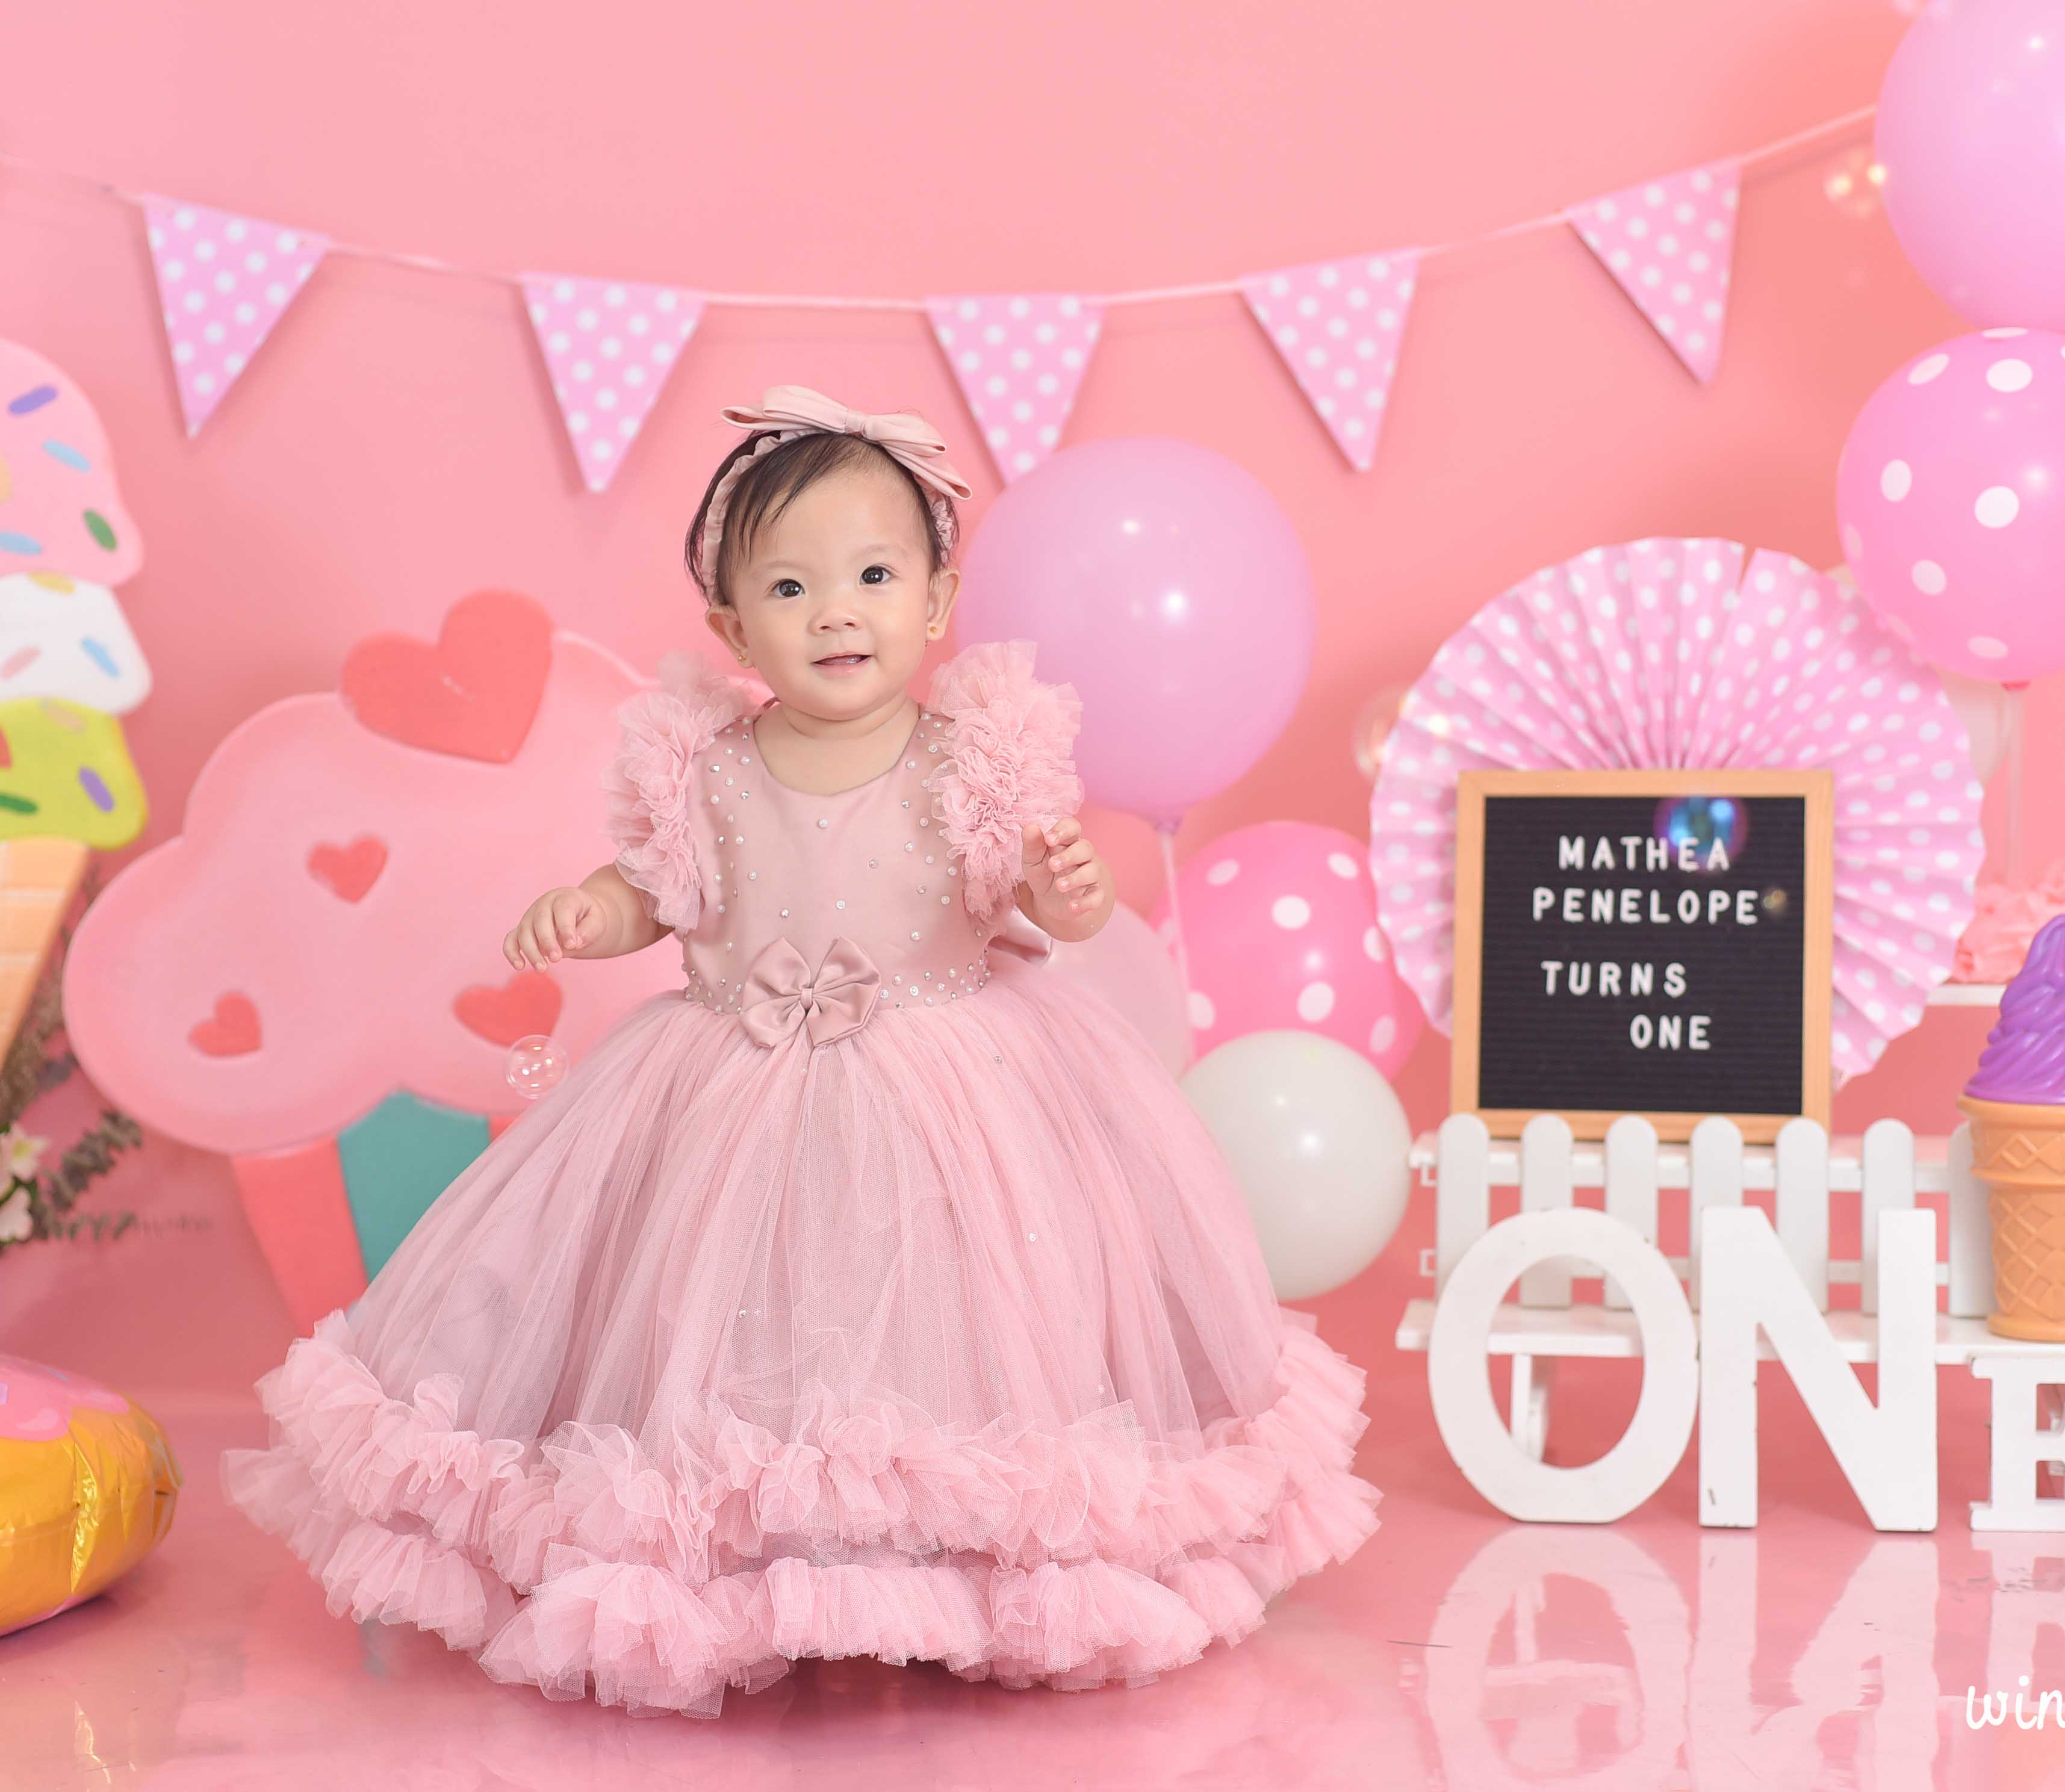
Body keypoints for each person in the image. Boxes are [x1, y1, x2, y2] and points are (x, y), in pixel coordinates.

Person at [225, 385, 1381, 1717]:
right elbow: (656, 893)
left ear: (937, 604)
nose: (837, 611)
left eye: (875, 577)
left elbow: (1047, 907)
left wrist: (1064, 884)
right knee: (735, 1331)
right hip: (731, 1092)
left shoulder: (970, 762)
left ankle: (950, 1561)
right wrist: (590, 912)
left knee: (953, 1333)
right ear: (732, 627)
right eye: (790, 586)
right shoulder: (707, 767)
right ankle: (752, 1564)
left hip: (955, 1096)